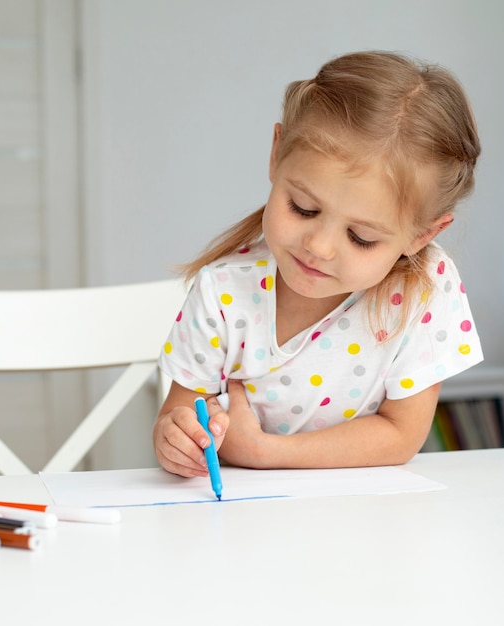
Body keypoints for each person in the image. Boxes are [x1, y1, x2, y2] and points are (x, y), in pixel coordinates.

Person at [153, 50, 483, 478]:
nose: (320, 248)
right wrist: (176, 440)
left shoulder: (424, 290)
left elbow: (401, 434)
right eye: (304, 208)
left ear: (421, 236)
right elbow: (181, 412)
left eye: (361, 237)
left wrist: (265, 451)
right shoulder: (223, 292)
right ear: (276, 154)